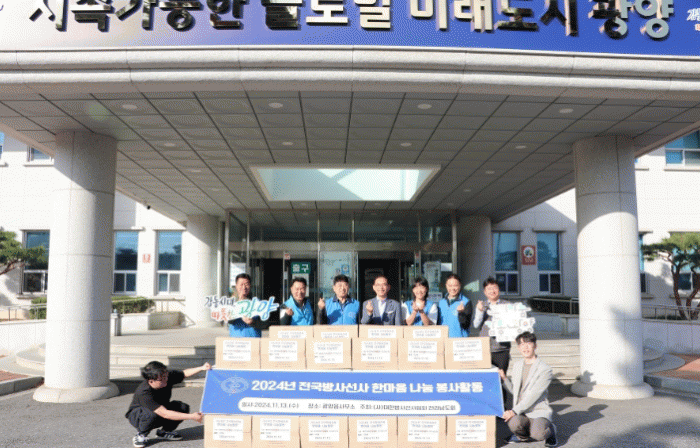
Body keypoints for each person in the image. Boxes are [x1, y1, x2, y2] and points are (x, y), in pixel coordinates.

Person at [125, 360, 211, 448]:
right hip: (138, 415)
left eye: (166, 376)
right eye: (161, 379)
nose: (166, 379)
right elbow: (165, 413)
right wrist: (192, 416)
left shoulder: (165, 376)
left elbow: (184, 373)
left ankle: (164, 432)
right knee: (151, 414)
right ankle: (141, 435)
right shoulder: (144, 392)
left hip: (160, 410)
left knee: (182, 407)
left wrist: (202, 368)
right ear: (151, 381)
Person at [501, 332, 558, 447]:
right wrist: (504, 379)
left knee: (538, 434)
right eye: (522, 344)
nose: (525, 347)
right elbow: (515, 391)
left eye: (528, 343)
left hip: (537, 411)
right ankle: (523, 437)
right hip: (522, 412)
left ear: (535, 346)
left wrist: (513, 411)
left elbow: (533, 395)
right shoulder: (517, 366)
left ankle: (551, 430)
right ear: (518, 348)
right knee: (513, 423)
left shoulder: (545, 369)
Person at [473, 277, 511, 372]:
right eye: (489, 289)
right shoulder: (481, 305)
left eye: (494, 288)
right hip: (484, 348)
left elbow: (512, 324)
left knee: (501, 377)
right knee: (485, 376)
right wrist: (480, 311)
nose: (492, 291)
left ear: (499, 290)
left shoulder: (507, 305)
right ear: (485, 292)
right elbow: (476, 325)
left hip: (501, 349)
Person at [227, 273, 261, 337]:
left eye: (246, 284)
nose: (244, 287)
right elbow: (228, 320)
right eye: (241, 284)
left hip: (253, 340)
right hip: (236, 340)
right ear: (236, 286)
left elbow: (264, 323)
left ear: (250, 286)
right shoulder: (230, 303)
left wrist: (252, 322)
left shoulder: (257, 302)